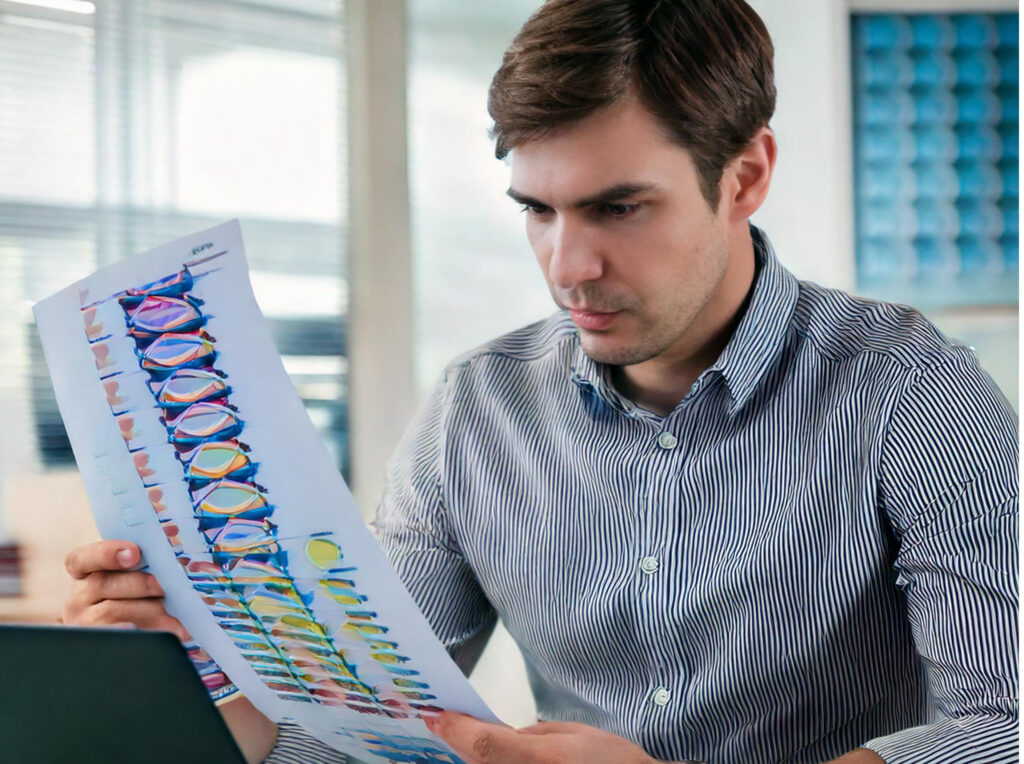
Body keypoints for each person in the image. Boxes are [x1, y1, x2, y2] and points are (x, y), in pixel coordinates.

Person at [60, 1, 1018, 763]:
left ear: (746, 174)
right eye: (538, 210)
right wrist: (205, 678)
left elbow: (1004, 727)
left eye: (618, 207)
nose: (569, 265)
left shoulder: (907, 387)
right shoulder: (476, 413)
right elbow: (367, 729)